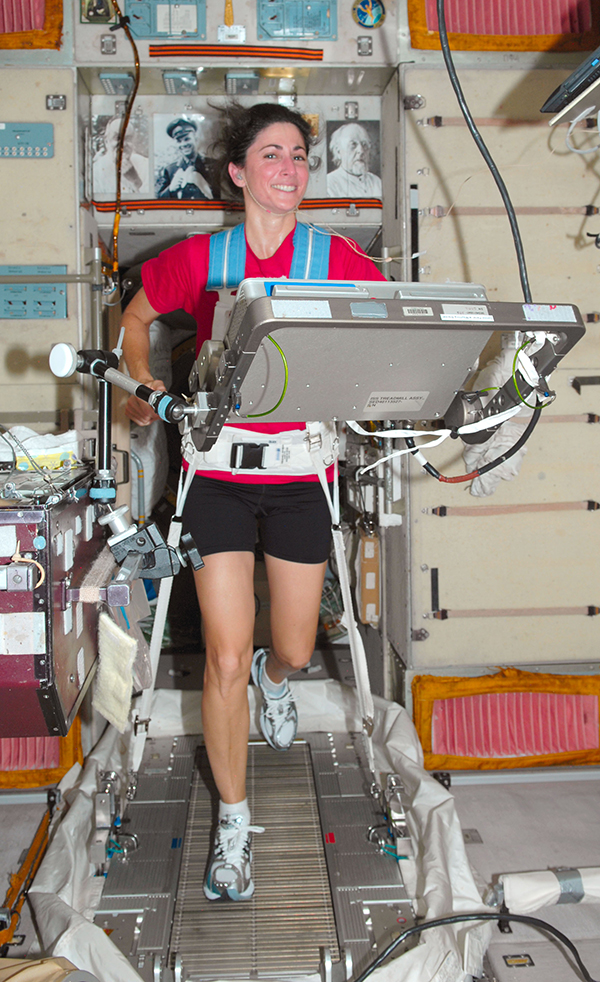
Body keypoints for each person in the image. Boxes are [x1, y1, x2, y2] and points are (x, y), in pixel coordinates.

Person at [121, 102, 385, 903]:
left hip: (302, 476)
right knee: (225, 657)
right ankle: (234, 822)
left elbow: (387, 332)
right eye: (273, 154)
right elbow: (135, 319)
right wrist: (143, 387)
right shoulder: (204, 258)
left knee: (294, 651)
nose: (291, 168)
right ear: (238, 173)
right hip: (219, 477)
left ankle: (281, 679)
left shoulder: (337, 259)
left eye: (300, 155)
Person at [156, 117, 217, 200]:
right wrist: (170, 190)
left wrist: (205, 186)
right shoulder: (170, 170)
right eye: (179, 141)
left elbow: (226, 197)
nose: (183, 144)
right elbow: (158, 199)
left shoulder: (214, 165)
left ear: (196, 139)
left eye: (187, 139)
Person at [93, 115, 149, 195]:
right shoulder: (96, 172)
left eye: (128, 138)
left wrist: (135, 181)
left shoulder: (145, 165)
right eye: (117, 138)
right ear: (106, 142)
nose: (123, 144)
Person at [326, 121, 382, 198]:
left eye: (364, 144)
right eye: (353, 144)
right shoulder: (328, 184)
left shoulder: (376, 182)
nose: (361, 151)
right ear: (338, 151)